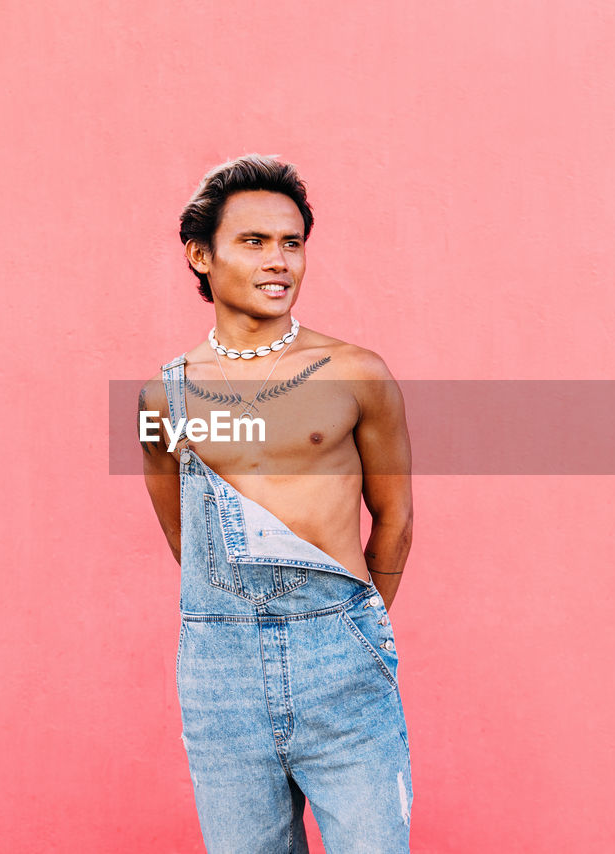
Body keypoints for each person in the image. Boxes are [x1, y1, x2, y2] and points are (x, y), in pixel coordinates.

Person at [138, 153, 414, 852]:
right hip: (218, 670)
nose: (279, 262)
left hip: (339, 654)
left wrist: (351, 629)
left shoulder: (357, 373)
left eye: (292, 243)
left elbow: (396, 519)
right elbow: (186, 536)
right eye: (254, 242)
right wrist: (236, 623)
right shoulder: (157, 399)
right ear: (200, 256)